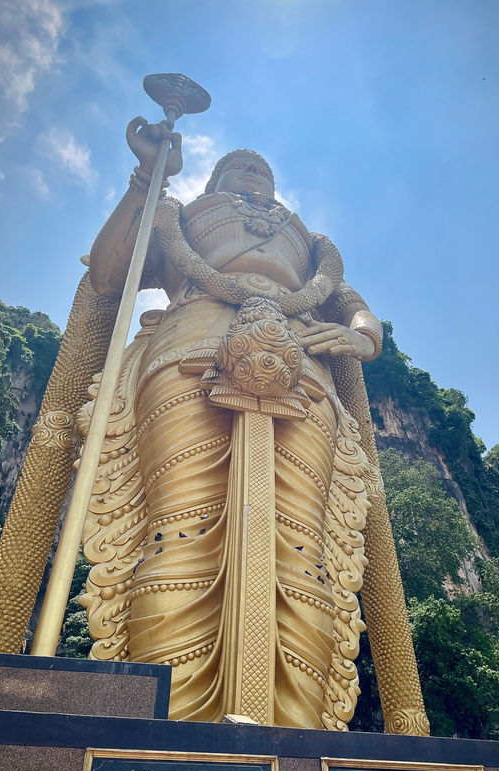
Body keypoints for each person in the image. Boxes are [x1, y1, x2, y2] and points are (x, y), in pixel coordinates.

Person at [78, 118, 385, 729]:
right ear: (216, 176)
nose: (253, 172)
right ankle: (170, 738)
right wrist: (149, 176)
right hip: (190, 345)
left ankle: (296, 749)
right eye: (239, 165)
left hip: (304, 368)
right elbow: (112, 273)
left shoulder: (311, 245)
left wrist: (364, 336)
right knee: (178, 530)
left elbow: (356, 309)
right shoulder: (183, 216)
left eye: (263, 169)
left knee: (303, 549)